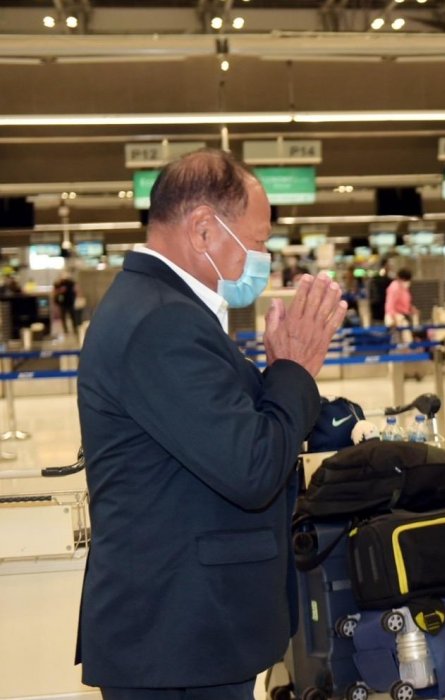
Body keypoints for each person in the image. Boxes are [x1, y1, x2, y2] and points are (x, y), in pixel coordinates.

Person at [76, 149, 347, 699]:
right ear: (203, 229)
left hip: (190, 630)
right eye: (258, 241)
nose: (262, 257)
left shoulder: (164, 308)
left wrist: (280, 383)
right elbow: (251, 468)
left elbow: (225, 430)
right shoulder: (162, 322)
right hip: (179, 637)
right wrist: (294, 371)